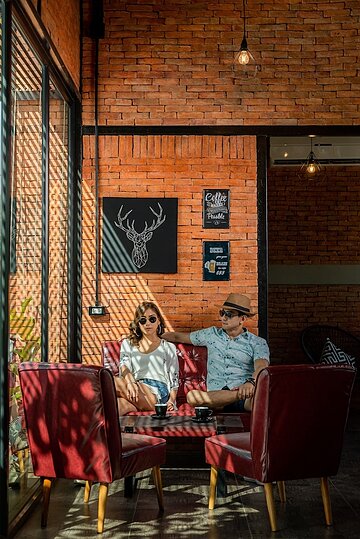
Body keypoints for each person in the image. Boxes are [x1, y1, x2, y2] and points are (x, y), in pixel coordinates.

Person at [162, 293, 269, 412]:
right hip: (214, 396)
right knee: (192, 397)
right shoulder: (211, 334)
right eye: (222, 313)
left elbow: (261, 366)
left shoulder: (257, 342)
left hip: (244, 397)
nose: (223, 318)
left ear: (242, 319)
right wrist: (153, 336)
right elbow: (177, 337)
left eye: (229, 315)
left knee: (263, 399)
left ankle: (236, 398)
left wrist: (251, 382)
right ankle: (235, 396)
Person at [115, 301, 179, 415]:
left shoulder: (168, 347)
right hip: (134, 388)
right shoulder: (128, 344)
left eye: (152, 319)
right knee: (118, 406)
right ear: (138, 323)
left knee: (112, 381)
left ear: (159, 321)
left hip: (158, 392)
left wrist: (171, 401)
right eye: (143, 320)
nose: (147, 323)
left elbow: (174, 380)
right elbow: (124, 366)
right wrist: (130, 383)